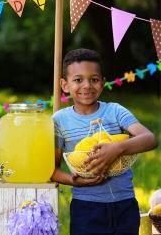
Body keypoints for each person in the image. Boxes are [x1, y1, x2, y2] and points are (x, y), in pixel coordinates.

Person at [51, 48, 158, 234]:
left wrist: (116, 149)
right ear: (64, 85)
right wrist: (72, 180)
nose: (87, 86)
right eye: (78, 80)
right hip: (86, 208)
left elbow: (149, 139)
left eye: (94, 79)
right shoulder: (59, 120)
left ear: (102, 83)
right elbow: (51, 169)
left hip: (125, 204)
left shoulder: (115, 111)